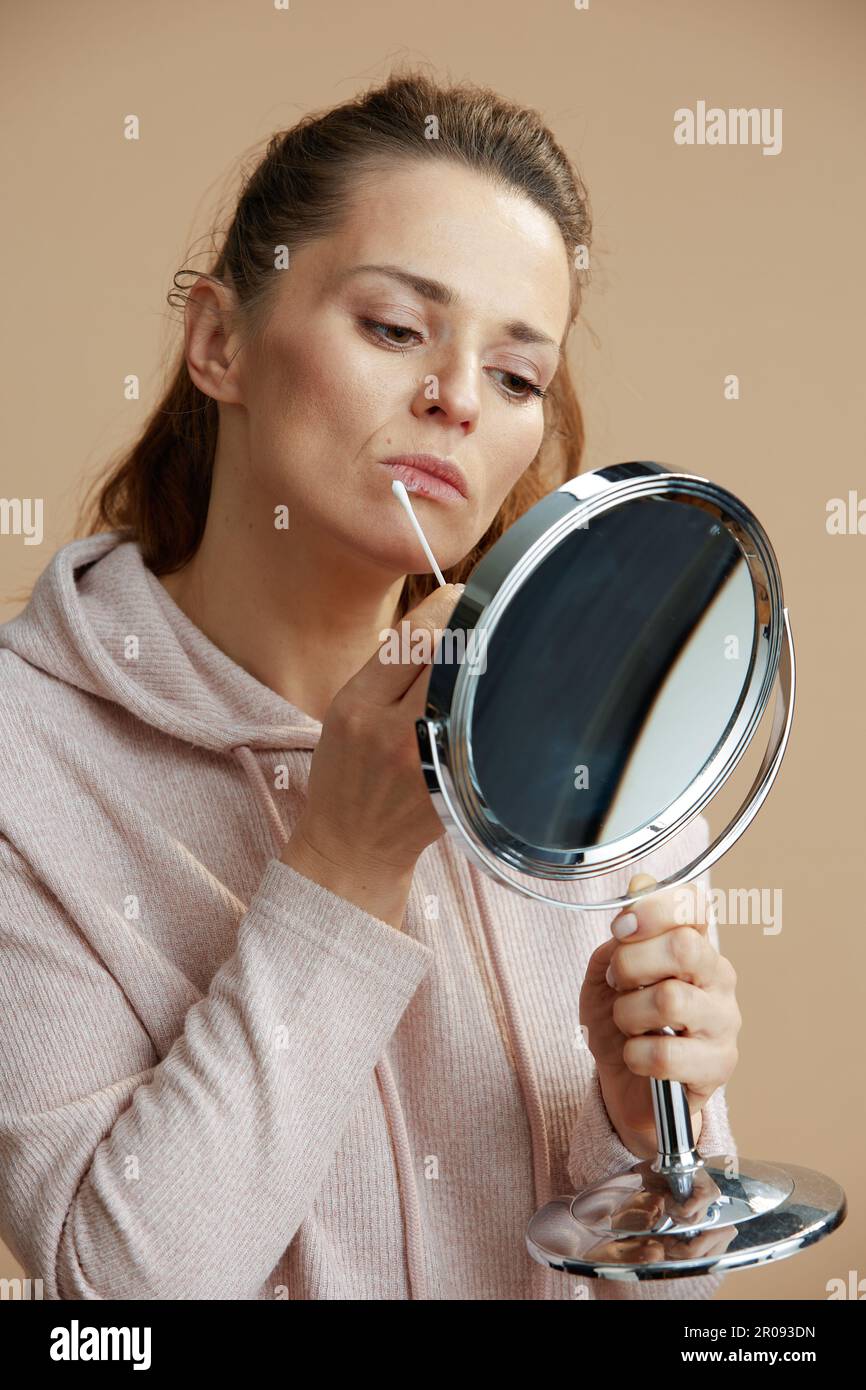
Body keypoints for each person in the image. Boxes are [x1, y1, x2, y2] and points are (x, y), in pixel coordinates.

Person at [0, 69, 740, 1301]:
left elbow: (671, 1306)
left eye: (515, 377)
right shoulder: (27, 765)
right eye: (396, 328)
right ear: (219, 341)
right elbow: (120, 1300)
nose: (455, 399)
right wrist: (341, 869)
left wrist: (638, 1133)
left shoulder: (600, 738)